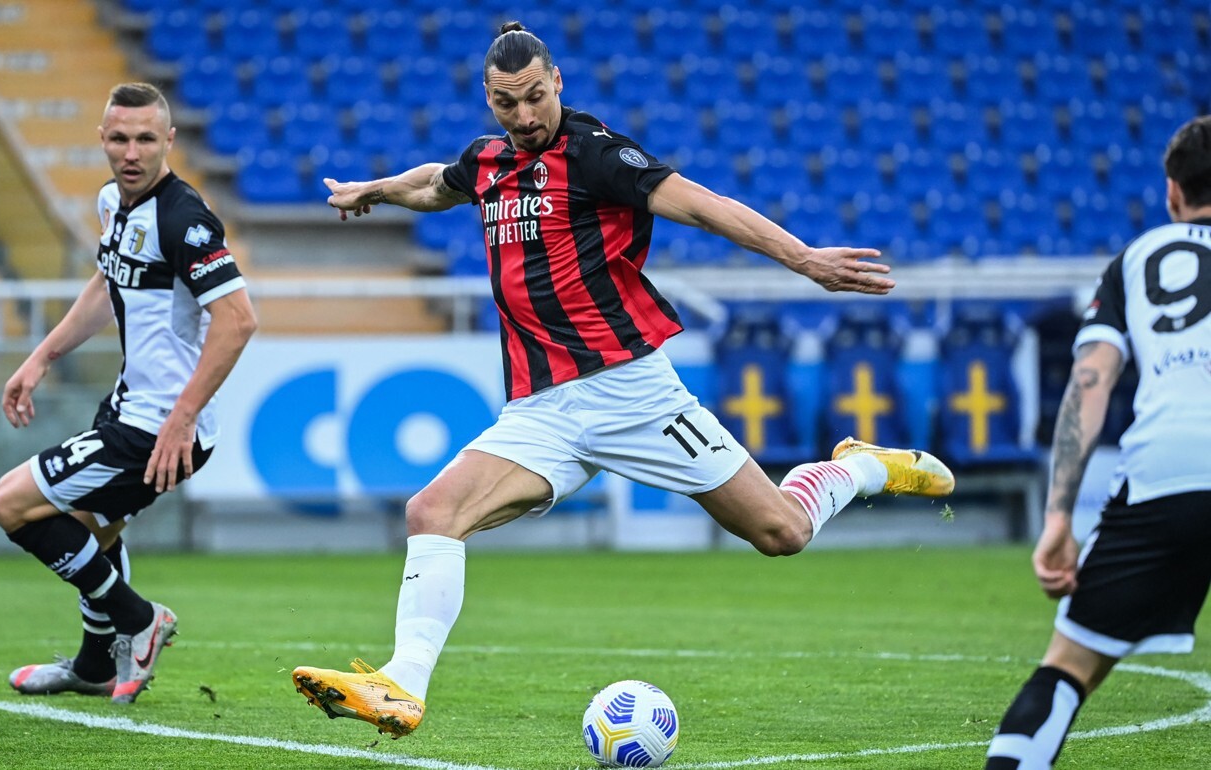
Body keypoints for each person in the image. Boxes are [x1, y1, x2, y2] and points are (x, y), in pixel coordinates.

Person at [291, 23, 954, 738]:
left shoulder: (598, 154)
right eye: (507, 103)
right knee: (431, 512)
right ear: (488, 98)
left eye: (536, 98)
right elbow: (434, 183)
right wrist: (377, 190)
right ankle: (401, 684)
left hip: (632, 391)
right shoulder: (488, 163)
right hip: (542, 409)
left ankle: (856, 470)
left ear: (558, 83)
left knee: (782, 532)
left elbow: (703, 205)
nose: (524, 116)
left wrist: (802, 259)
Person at [0, 82, 257, 704]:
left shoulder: (183, 219)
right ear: (102, 140)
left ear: (169, 140)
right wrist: (42, 356)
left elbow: (238, 319)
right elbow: (105, 285)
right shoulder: (114, 202)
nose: (131, 152)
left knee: (10, 505)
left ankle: (140, 621)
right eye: (119, 138)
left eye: (144, 139)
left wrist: (181, 418)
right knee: (91, 534)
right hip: (129, 408)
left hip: (160, 427)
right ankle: (93, 666)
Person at [985, 116, 1211, 768]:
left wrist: (1060, 517)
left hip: (1165, 474)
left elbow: (1090, 384)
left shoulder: (1134, 263)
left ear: (1172, 192)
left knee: (1069, 668)